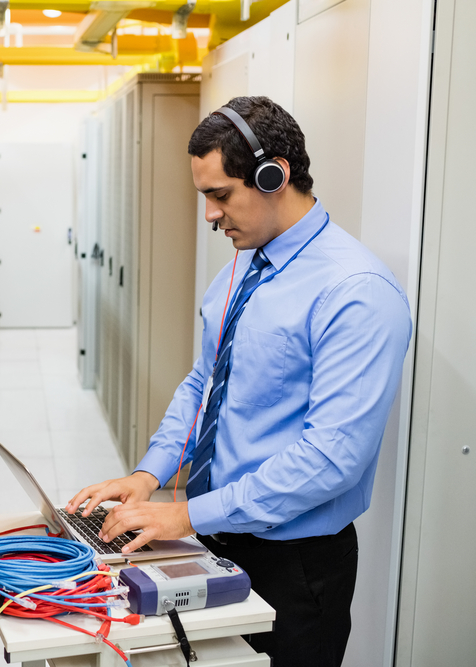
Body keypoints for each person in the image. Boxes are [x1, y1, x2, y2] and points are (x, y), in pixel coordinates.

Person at [65, 96, 412, 667]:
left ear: (273, 175)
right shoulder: (242, 265)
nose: (209, 215)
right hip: (217, 536)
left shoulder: (357, 292)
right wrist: (150, 475)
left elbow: (333, 457)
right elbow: (205, 384)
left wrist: (186, 515)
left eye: (220, 195)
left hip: (295, 565)